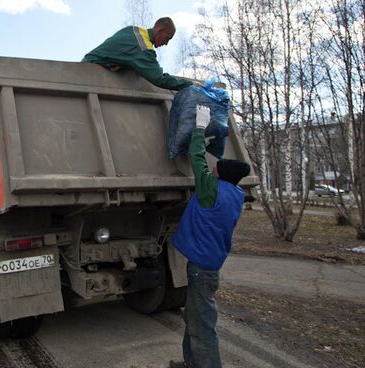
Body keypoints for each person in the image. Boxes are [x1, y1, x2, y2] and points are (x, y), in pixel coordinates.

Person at [169, 106, 251, 368]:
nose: (213, 169)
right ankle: (191, 363)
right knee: (194, 318)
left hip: (202, 270)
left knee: (202, 326)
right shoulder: (235, 194)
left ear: (221, 176)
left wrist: (200, 128)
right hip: (208, 266)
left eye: (218, 168)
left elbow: (196, 157)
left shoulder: (210, 190)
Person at [82, 17, 192, 91]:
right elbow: (159, 79)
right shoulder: (143, 48)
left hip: (87, 65)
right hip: (90, 76)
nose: (167, 43)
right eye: (167, 38)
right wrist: (190, 85)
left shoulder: (133, 30)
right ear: (159, 30)